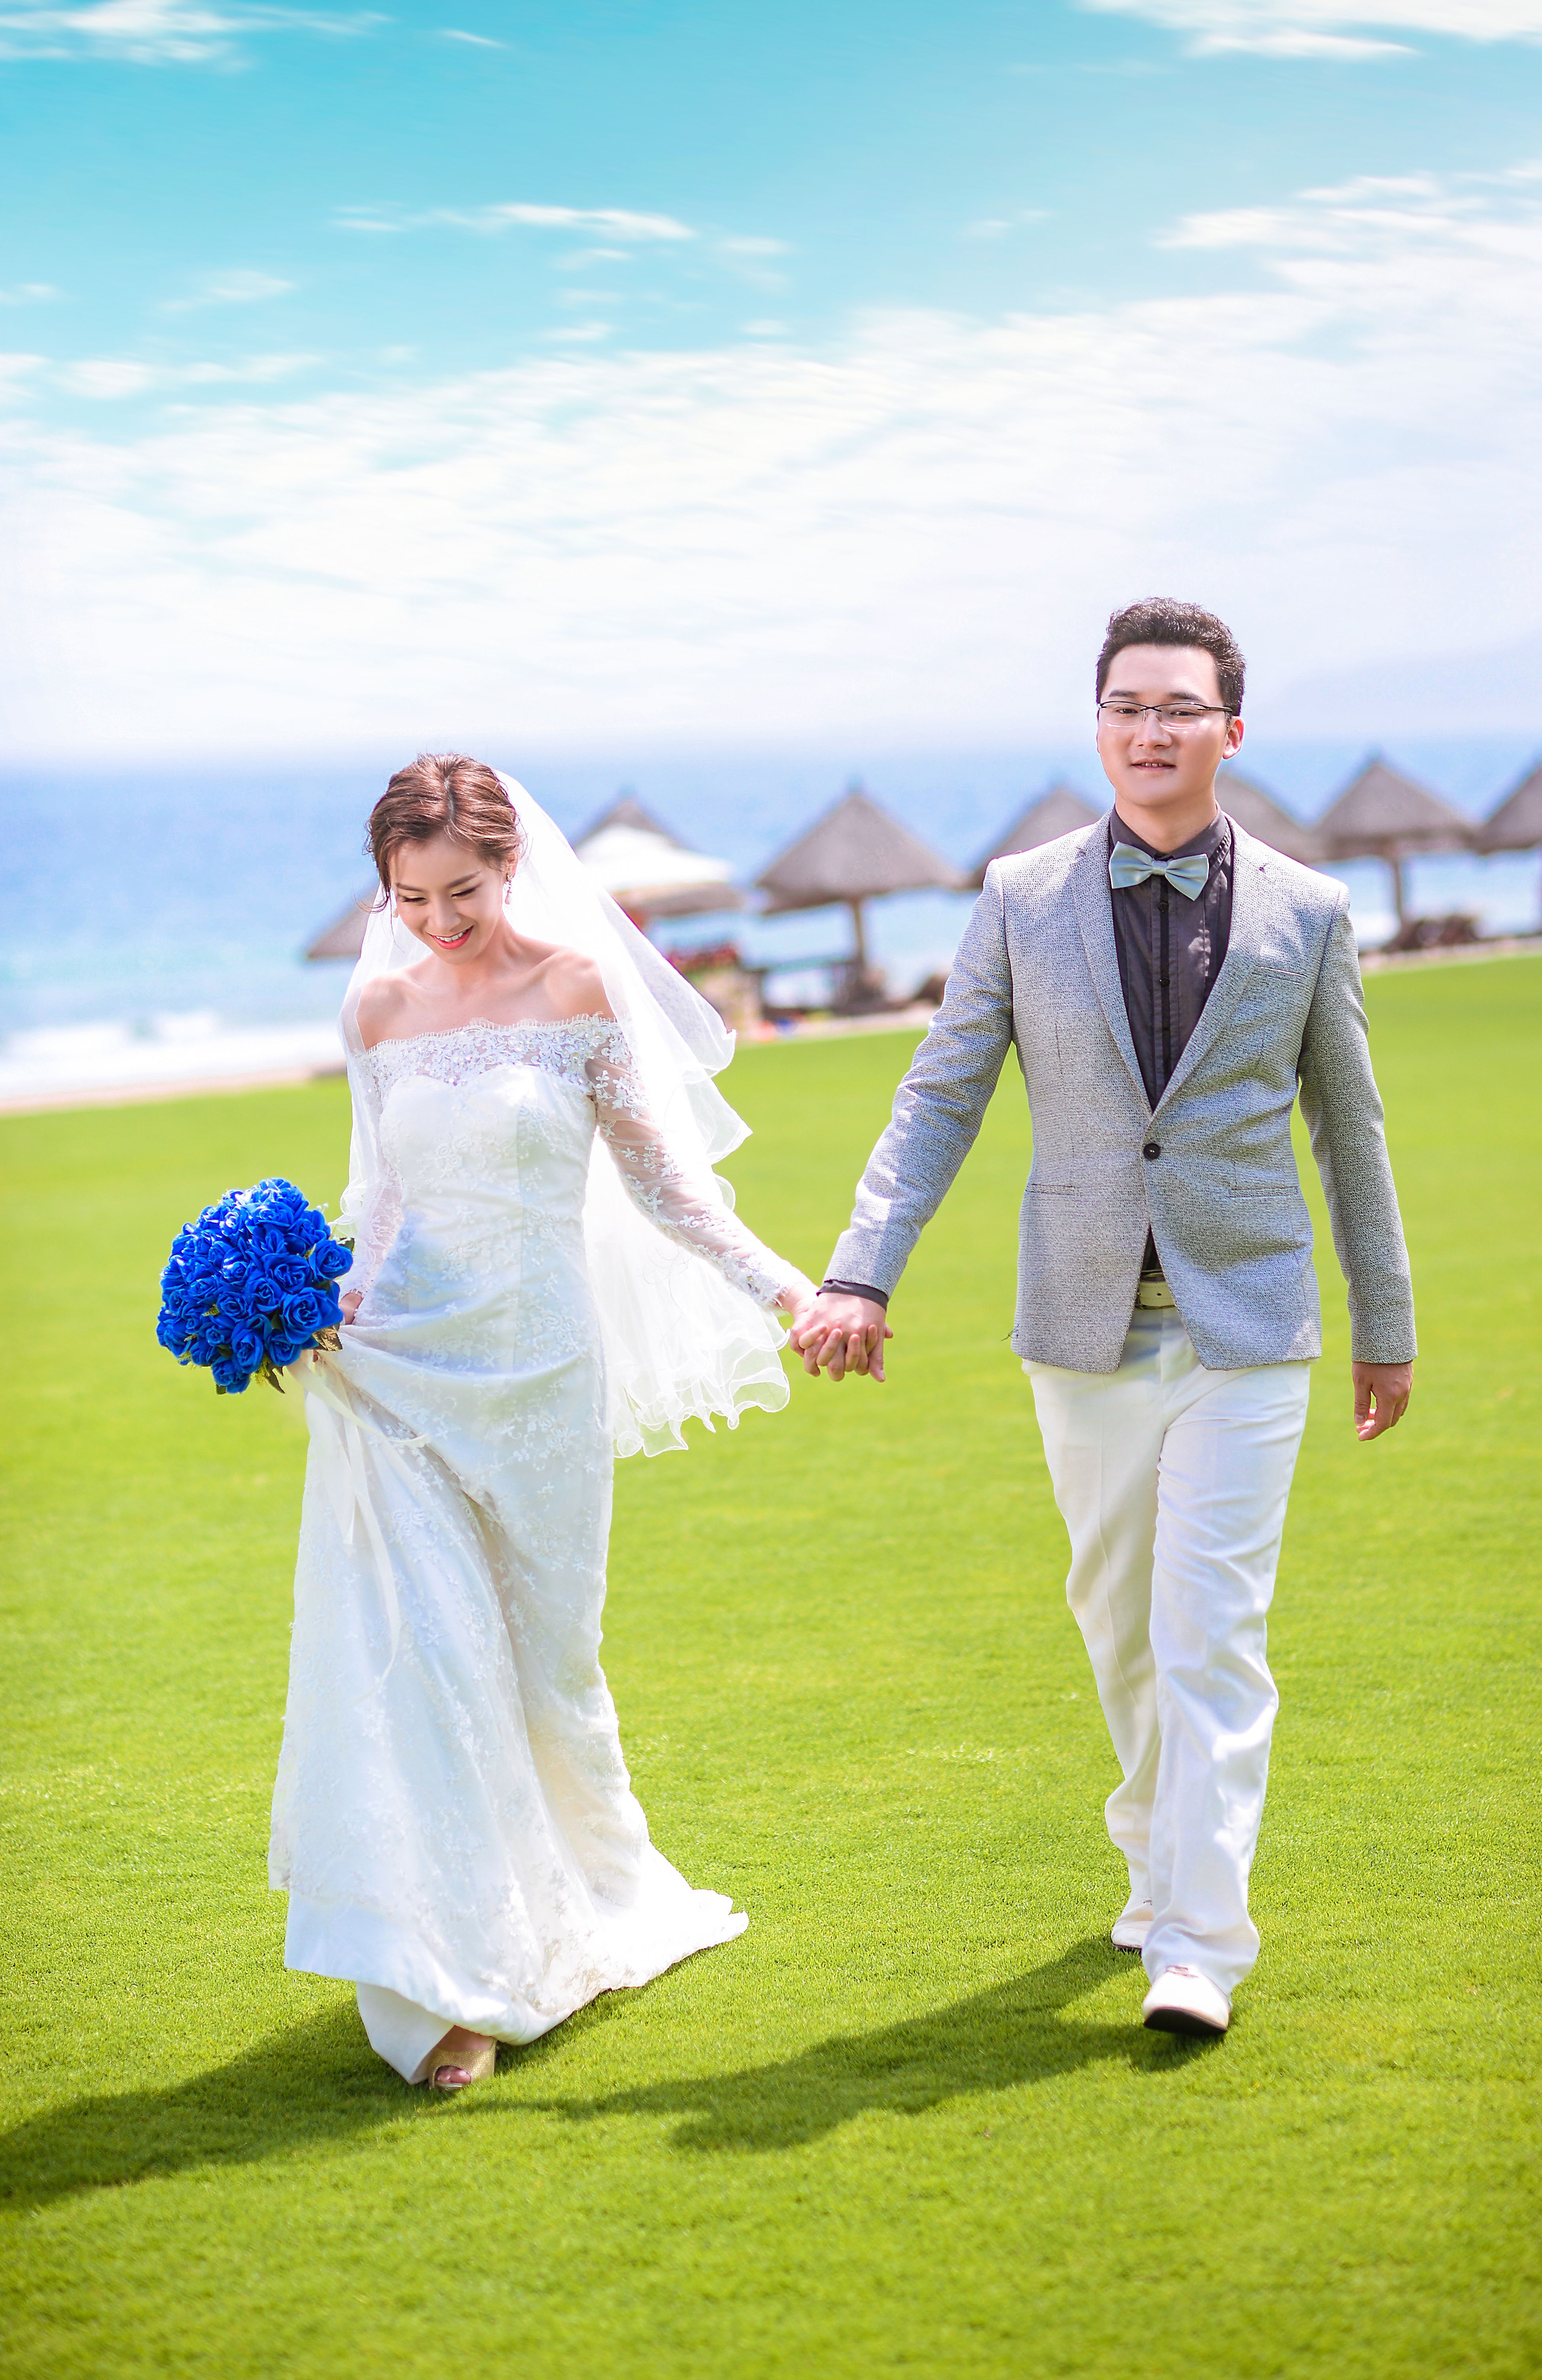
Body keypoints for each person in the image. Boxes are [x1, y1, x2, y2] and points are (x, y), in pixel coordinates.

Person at [793, 599, 1415, 2038]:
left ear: (1230, 731)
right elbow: (941, 1093)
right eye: (1128, 705)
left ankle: (1199, 1945)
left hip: (1248, 1326)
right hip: (1082, 1329)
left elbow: (1353, 1130)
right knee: (1121, 1626)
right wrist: (860, 1271)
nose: (1151, 729)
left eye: (1179, 707)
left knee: (1212, 1635)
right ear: (1099, 725)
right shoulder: (1020, 897)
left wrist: (1384, 1322)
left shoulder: (1310, 912)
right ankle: (1153, 1850)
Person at [270, 755, 816, 2093]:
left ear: (510, 865)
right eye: (410, 898)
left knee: (550, 1668)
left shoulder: (576, 990)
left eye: (463, 890)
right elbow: (383, 1199)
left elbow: (666, 1187)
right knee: (430, 1664)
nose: (438, 921)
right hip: (403, 1371)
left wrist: (789, 1289)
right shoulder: (377, 1009)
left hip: (541, 1375)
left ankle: (593, 1897)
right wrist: (323, 1307)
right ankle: (449, 1983)